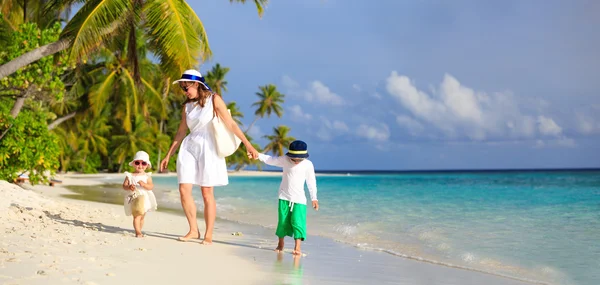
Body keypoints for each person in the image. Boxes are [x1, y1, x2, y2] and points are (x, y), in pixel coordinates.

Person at [160, 69, 259, 244]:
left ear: (197, 84)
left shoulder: (214, 99)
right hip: (189, 147)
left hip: (209, 147)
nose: (184, 91)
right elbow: (181, 131)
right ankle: (193, 230)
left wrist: (248, 145)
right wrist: (169, 154)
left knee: (207, 192)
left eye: (186, 87)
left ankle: (208, 234)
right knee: (184, 190)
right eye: (182, 88)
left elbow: (231, 124)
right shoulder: (187, 106)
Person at [253, 140, 319, 255]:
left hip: (300, 200)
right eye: (294, 158)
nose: (297, 161)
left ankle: (297, 247)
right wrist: (257, 155)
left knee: (298, 222)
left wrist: (314, 198)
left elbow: (311, 182)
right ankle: (280, 243)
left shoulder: (308, 164)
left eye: (300, 159)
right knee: (283, 222)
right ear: (290, 156)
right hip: (284, 197)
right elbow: (270, 160)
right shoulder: (285, 160)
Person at [122, 151, 157, 238]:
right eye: (137, 163)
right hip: (134, 197)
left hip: (144, 198)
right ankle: (138, 232)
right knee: (137, 216)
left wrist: (144, 185)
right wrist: (129, 186)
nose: (140, 165)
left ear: (147, 165)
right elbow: (124, 186)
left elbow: (151, 186)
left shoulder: (147, 176)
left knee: (142, 216)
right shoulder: (130, 176)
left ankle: (139, 230)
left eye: (143, 163)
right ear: (133, 164)